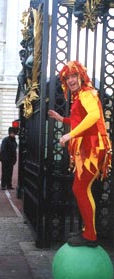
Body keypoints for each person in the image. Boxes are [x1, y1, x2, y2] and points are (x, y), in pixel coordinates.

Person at [48, 61, 112, 247]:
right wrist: (62, 119)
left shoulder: (86, 94)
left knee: (80, 188)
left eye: (73, 76)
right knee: (81, 188)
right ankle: (88, 231)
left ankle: (90, 235)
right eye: (67, 77)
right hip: (88, 148)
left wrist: (69, 134)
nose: (70, 80)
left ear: (81, 77)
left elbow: (93, 117)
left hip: (92, 147)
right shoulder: (81, 96)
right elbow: (80, 120)